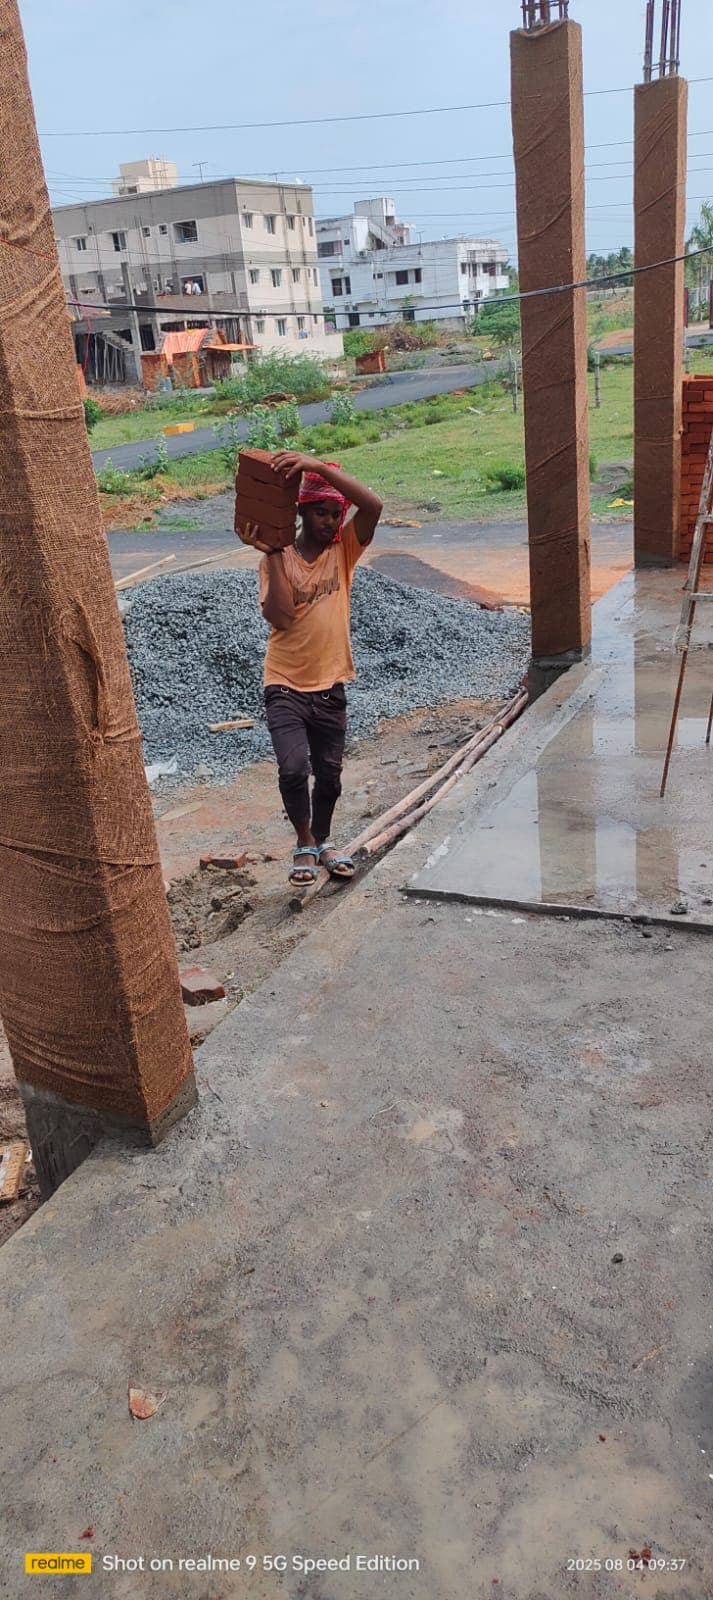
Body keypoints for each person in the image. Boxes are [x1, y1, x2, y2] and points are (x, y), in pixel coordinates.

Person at [238, 451, 383, 886]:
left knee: (331, 779)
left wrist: (319, 469)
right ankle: (304, 842)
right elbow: (280, 617)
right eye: (320, 512)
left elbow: (373, 506)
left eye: (335, 513)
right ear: (302, 512)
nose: (329, 521)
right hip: (284, 682)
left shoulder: (345, 552)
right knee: (293, 768)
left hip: (331, 683)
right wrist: (275, 555)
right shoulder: (275, 558)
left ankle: (321, 840)